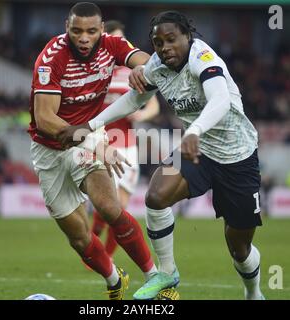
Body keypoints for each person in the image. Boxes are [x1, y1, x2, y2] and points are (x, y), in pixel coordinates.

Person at [62, 10, 265, 300]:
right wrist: (91, 124)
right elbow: (134, 99)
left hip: (238, 157)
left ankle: (253, 293)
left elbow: (220, 99)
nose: (165, 47)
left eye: (171, 39)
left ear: (187, 36)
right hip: (198, 151)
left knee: (239, 248)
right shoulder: (157, 65)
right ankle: (167, 273)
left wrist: (193, 131)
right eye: (158, 42)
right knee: (156, 196)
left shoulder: (203, 58)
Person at [28, 2, 158, 300]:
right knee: (78, 237)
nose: (83, 38)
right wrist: (97, 144)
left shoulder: (112, 45)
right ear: (66, 28)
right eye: (76, 31)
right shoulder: (51, 58)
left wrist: (143, 70)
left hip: (87, 134)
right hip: (49, 149)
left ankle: (156, 278)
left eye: (90, 31)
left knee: (110, 208)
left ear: (101, 29)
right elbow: (46, 120)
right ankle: (114, 280)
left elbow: (146, 60)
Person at [90, 20, 160, 259]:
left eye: (121, 39)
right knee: (105, 205)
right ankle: (93, 238)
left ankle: (105, 256)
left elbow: (153, 105)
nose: (117, 44)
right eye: (112, 38)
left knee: (120, 208)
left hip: (127, 147)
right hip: (100, 145)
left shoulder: (133, 73)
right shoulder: (93, 72)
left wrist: (141, 113)